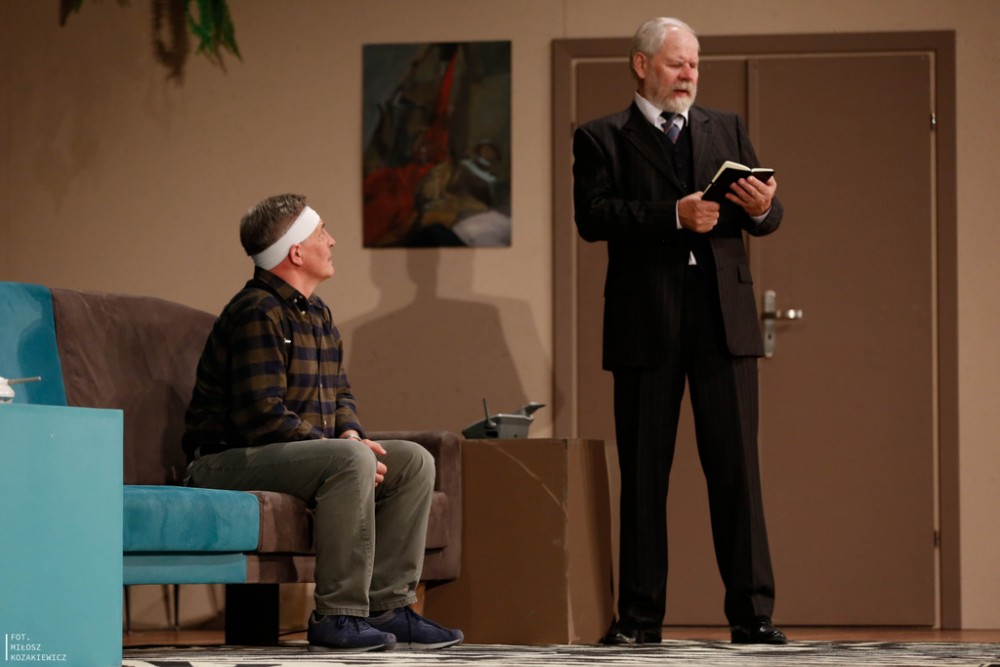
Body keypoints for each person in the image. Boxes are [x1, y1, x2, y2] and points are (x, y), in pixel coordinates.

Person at [572, 18, 786, 645]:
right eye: (676, 63)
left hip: (723, 320)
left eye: (694, 63)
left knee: (738, 473)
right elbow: (593, 216)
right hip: (647, 320)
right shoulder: (601, 136)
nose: (689, 73)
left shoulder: (726, 127)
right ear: (642, 66)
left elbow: (768, 215)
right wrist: (673, 215)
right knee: (644, 477)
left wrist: (763, 208)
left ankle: (753, 616)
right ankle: (640, 621)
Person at [181, 193, 464, 653]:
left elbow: (341, 394)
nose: (331, 241)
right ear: (296, 252)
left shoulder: (318, 314)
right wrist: (344, 450)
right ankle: (337, 615)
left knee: (413, 462)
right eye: (321, 232)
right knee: (351, 460)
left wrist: (350, 432)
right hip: (223, 462)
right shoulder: (257, 311)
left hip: (288, 454)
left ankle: (387, 606)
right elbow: (261, 416)